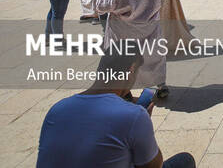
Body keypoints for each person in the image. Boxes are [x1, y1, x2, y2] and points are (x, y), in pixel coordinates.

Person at [37, 50, 196, 168]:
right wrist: (144, 123)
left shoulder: (57, 110)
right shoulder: (133, 116)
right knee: (185, 161)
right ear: (131, 70)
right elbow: (154, 166)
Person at [96, 0, 167, 96]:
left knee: (123, 61)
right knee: (153, 57)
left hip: (123, 30)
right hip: (149, 26)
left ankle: (124, 90)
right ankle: (161, 86)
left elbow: (101, 6)